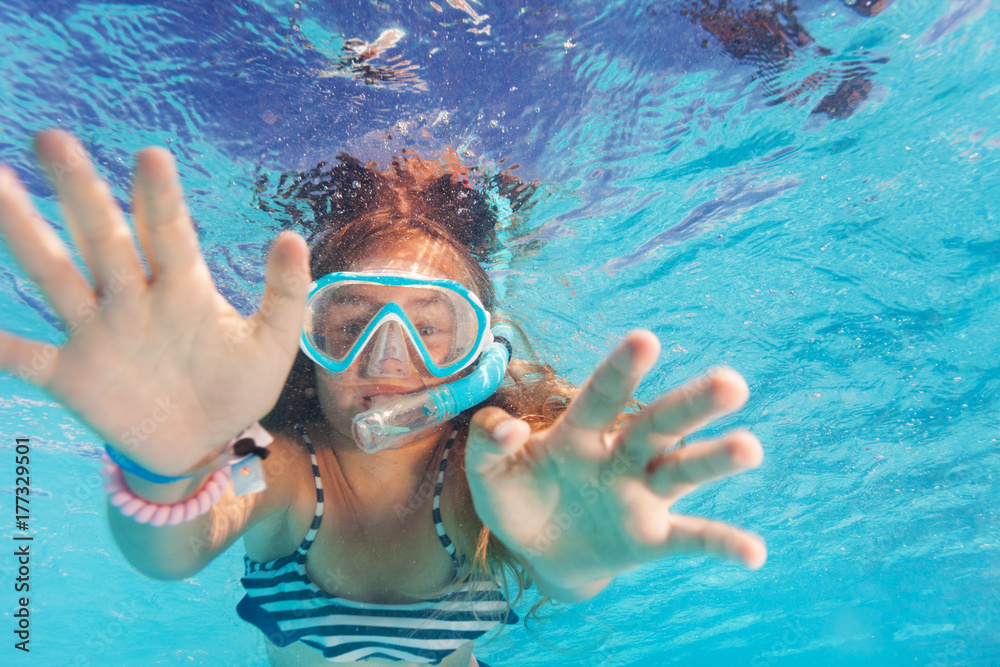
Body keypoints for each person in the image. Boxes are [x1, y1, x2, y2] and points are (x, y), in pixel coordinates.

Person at [0, 130, 766, 666]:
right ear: (307, 342)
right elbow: (170, 551)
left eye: (431, 329)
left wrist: (573, 560)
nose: (388, 359)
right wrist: (164, 461)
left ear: (481, 354)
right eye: (350, 323)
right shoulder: (281, 464)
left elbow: (562, 551)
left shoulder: (490, 474)